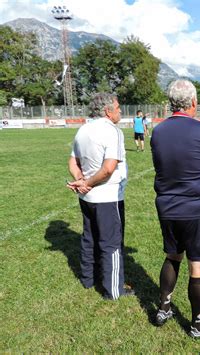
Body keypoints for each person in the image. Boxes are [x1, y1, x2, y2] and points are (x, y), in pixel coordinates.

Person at [150, 79, 200, 338]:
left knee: (173, 255)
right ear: (194, 102)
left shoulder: (157, 131)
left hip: (167, 207)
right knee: (198, 264)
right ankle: (198, 323)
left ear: (171, 103)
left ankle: (163, 307)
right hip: (196, 209)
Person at [67, 93, 133, 300]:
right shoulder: (112, 131)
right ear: (107, 111)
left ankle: (88, 279)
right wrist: (86, 182)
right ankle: (113, 290)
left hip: (87, 197)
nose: (120, 111)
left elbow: (72, 161)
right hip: (107, 196)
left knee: (89, 237)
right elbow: (108, 168)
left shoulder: (83, 129)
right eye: (118, 107)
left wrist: (80, 179)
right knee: (111, 243)